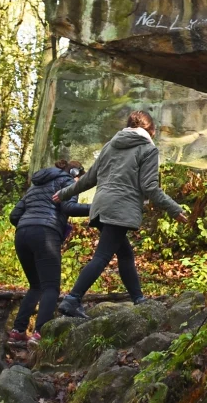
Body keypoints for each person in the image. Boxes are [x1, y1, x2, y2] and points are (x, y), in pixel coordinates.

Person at [53, 110, 188, 319]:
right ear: (150, 131)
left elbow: (89, 179)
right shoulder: (147, 149)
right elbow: (150, 187)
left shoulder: (110, 145)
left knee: (125, 254)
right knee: (102, 256)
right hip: (120, 207)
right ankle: (72, 299)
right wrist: (174, 209)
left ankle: (138, 298)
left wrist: (63, 193)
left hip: (101, 206)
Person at [7, 160, 90, 343]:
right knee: (51, 287)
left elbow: (14, 215)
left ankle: (18, 331)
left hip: (22, 235)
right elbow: (69, 208)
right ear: (74, 173)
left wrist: (28, 225)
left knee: (36, 285)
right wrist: (95, 209)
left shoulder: (34, 187)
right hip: (46, 234)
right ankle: (39, 333)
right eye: (79, 179)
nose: (78, 183)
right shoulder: (67, 182)